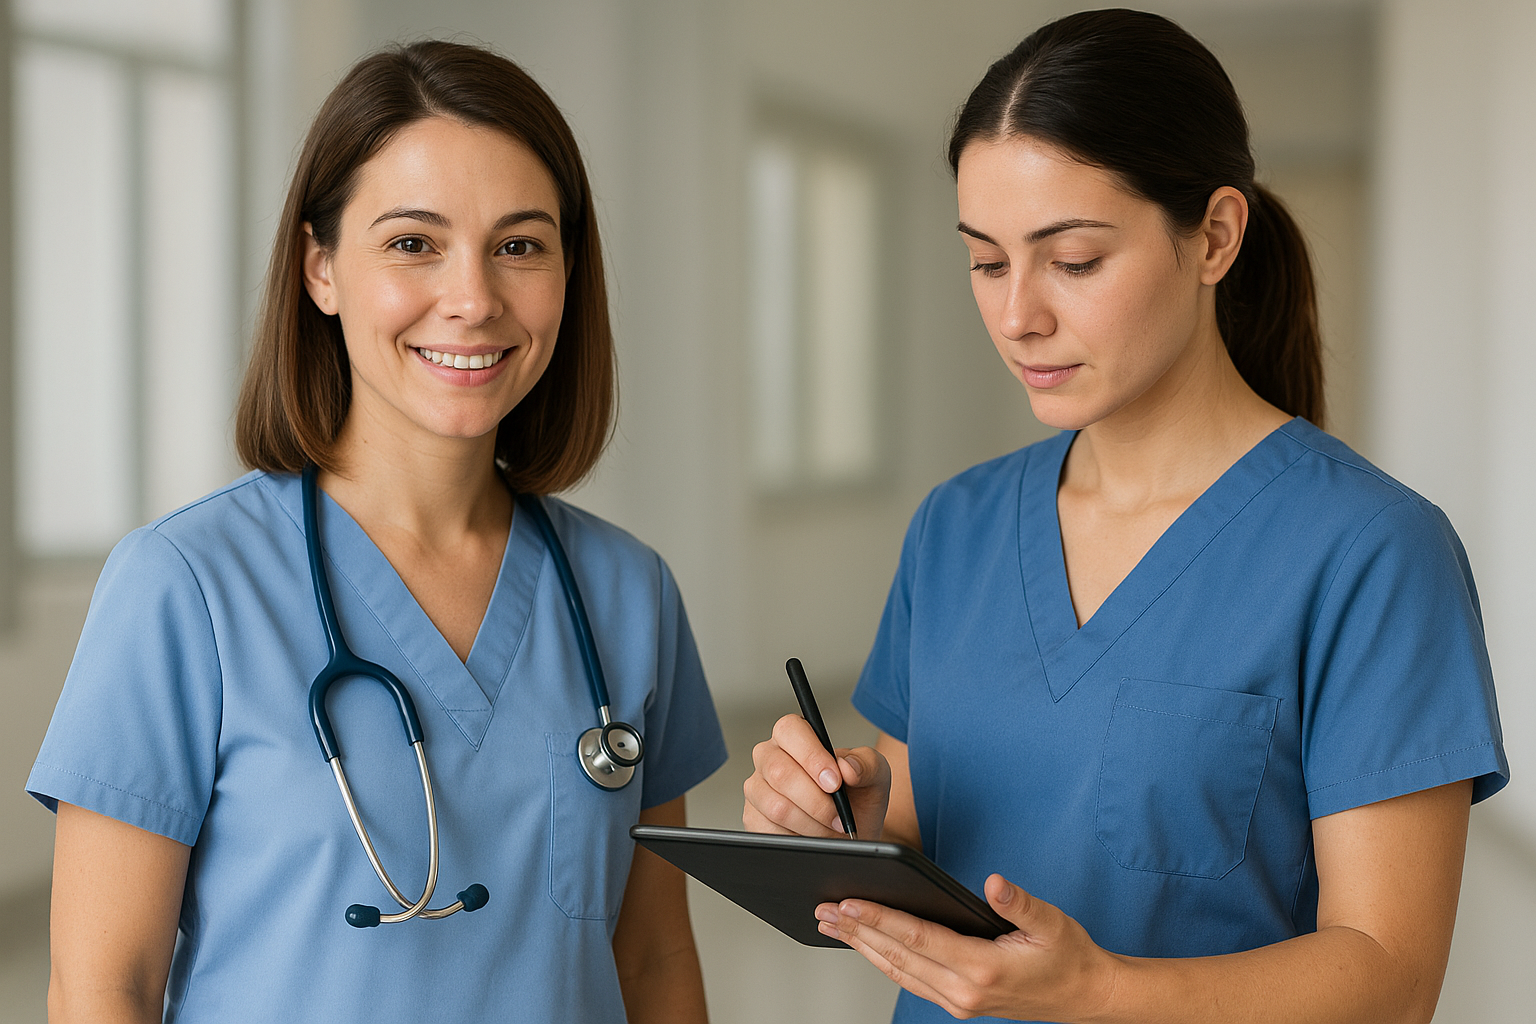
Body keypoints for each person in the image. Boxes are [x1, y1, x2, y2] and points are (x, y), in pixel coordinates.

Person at [743, 9, 1507, 1023]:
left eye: (1074, 259)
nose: (1019, 314)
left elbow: (1390, 977)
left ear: (1216, 236)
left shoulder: (1370, 554)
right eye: (986, 260)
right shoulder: (956, 529)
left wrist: (1098, 990)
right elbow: (949, 825)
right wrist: (856, 826)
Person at [29, 41, 725, 1023]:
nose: (474, 298)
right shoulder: (185, 588)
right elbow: (104, 988)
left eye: (520, 245)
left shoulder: (628, 594)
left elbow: (653, 960)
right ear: (321, 268)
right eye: (413, 243)